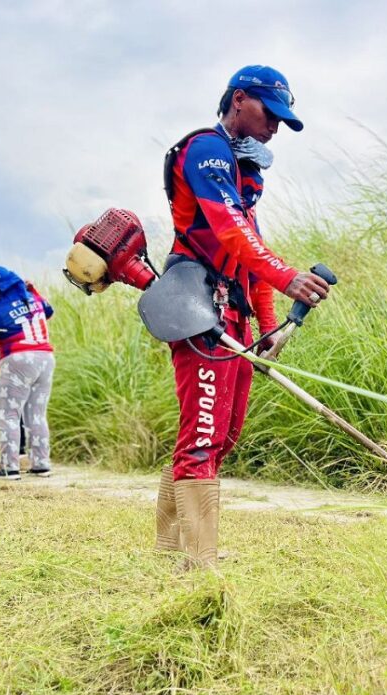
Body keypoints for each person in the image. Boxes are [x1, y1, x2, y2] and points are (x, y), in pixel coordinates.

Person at [157, 64, 331, 568]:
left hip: (233, 312)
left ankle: (172, 546)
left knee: (222, 435)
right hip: (197, 307)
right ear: (238, 99)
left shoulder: (241, 172)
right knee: (204, 435)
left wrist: (267, 326)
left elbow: (250, 249)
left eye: (283, 118)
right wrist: (288, 276)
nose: (275, 125)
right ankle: (201, 562)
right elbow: (231, 233)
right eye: (268, 112)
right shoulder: (205, 149)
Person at [0, 266, 55, 480]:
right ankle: (41, 464)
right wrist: (33, 290)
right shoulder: (34, 300)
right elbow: (49, 311)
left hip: (18, 360)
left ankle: (10, 467)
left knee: (9, 414)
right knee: (37, 414)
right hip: (45, 358)